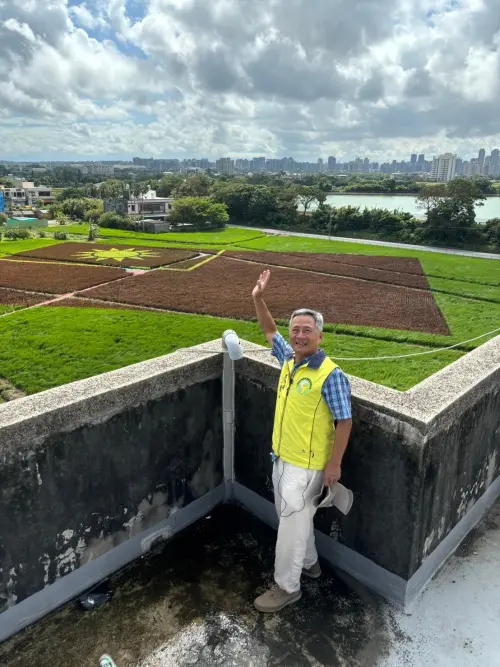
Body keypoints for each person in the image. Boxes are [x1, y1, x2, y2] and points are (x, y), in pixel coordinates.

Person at [252, 269, 352, 613]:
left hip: (307, 467)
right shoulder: (288, 361)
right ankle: (310, 564)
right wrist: (258, 298)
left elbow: (345, 420)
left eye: (306, 330)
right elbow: (269, 331)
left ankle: (287, 587)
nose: (299, 335)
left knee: (290, 530)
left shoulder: (331, 375)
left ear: (320, 335)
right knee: (295, 521)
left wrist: (334, 464)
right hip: (281, 457)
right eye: (295, 330)